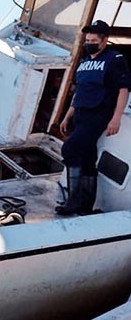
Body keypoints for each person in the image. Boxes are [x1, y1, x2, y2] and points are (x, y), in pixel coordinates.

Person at [56, 20, 131, 215]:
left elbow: (123, 90)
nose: (89, 43)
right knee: (88, 158)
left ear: (104, 40)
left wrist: (115, 118)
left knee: (70, 149)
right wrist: (67, 116)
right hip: (80, 114)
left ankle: (73, 201)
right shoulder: (84, 62)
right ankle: (85, 206)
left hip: (98, 114)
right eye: (87, 40)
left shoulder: (115, 59)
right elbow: (78, 92)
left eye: (93, 40)